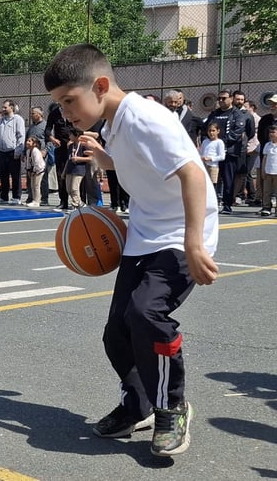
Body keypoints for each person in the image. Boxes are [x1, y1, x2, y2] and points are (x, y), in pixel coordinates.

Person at [44, 43, 219, 457]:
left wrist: (194, 242)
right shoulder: (113, 123)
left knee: (146, 314)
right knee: (116, 333)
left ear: (100, 85)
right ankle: (138, 403)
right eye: (60, 104)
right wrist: (106, 159)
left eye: (69, 101)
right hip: (143, 232)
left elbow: (192, 175)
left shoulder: (144, 117)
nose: (65, 112)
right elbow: (142, 164)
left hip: (179, 233)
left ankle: (172, 406)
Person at [204, 89, 251, 214]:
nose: (221, 101)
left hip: (229, 152)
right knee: (210, 179)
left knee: (228, 179)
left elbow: (238, 131)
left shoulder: (237, 114)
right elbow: (206, 129)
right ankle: (210, 203)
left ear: (231, 98)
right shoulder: (214, 114)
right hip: (212, 154)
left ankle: (227, 205)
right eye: (219, 98)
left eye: (223, 98)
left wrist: (221, 143)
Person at [0, 99, 26, 205]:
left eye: (5, 107)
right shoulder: (0, 120)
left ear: (11, 108)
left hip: (12, 151)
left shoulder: (18, 119)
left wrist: (18, 151)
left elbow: (21, 136)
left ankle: (16, 197)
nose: (3, 109)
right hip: (1, 151)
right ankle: (4, 196)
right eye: (3, 107)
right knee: (3, 175)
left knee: (15, 175)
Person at [199, 123, 225, 196]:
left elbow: (222, 156)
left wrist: (211, 158)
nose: (211, 133)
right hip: (205, 165)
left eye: (213, 130)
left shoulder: (219, 142)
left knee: (213, 183)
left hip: (214, 166)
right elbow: (201, 152)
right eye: (209, 131)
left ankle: (216, 197)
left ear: (218, 131)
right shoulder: (205, 142)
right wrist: (201, 157)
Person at [259, 125, 277, 216]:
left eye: (273, 132)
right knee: (267, 191)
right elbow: (264, 158)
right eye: (270, 132)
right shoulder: (267, 145)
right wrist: (263, 170)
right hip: (268, 171)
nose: (271, 134)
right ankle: (266, 207)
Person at [23, 136, 45, 207]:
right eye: (27, 141)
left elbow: (37, 162)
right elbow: (28, 162)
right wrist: (28, 170)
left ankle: (37, 201)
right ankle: (33, 199)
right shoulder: (28, 151)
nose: (27, 142)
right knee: (32, 185)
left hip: (39, 169)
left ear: (34, 143)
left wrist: (35, 171)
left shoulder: (35, 151)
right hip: (33, 169)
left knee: (36, 185)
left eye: (29, 141)